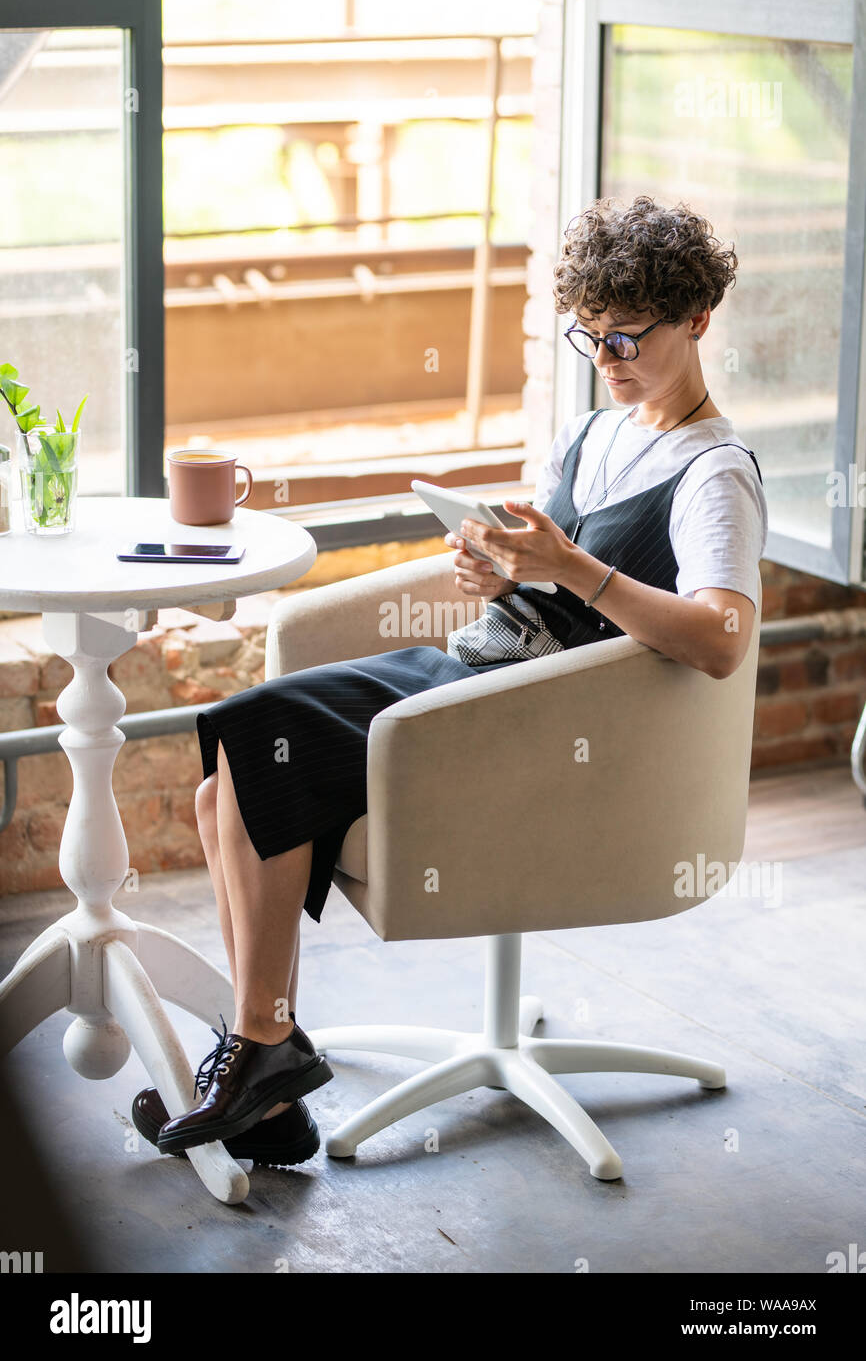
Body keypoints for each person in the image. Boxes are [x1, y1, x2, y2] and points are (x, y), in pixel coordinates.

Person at [132, 193, 768, 1166]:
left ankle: (263, 1056)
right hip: (470, 675)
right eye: (588, 336)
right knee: (227, 775)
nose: (607, 360)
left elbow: (721, 640)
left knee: (259, 732)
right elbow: (540, 566)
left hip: (531, 721)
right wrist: (493, 565)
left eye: (628, 337)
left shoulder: (711, 471)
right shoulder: (595, 432)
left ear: (695, 319)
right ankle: (267, 1077)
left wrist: (573, 572)